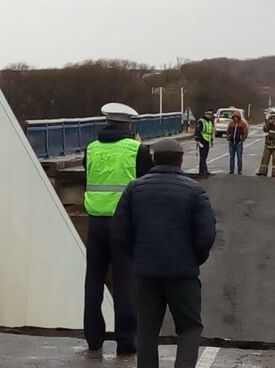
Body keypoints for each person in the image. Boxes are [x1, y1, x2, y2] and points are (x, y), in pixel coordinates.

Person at [112, 139, 216, 368]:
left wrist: (137, 256)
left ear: (153, 160)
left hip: (146, 273)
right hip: (183, 273)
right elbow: (206, 234)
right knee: (189, 327)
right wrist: (195, 259)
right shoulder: (195, 190)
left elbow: (119, 231)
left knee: (147, 329)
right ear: (180, 160)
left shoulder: (134, 188)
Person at [82, 102, 154, 355]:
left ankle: (93, 338)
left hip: (95, 222)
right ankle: (126, 341)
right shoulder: (137, 149)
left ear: (106, 122)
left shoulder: (91, 148)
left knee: (93, 280)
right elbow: (147, 183)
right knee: (125, 283)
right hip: (124, 223)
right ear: (129, 124)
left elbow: (88, 177)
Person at [257, 111, 275, 177]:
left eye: (274, 117)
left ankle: (274, 174)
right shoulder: (268, 121)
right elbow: (265, 129)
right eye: (271, 117)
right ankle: (262, 172)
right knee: (265, 158)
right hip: (268, 144)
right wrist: (268, 123)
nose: (272, 118)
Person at [226, 110, 248, 174]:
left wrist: (242, 140)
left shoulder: (242, 124)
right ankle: (231, 170)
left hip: (239, 143)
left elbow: (245, 133)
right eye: (234, 117)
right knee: (231, 157)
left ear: (239, 117)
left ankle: (239, 170)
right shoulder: (231, 123)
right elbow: (227, 132)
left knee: (239, 157)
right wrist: (228, 139)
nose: (235, 118)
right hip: (231, 143)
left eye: (237, 117)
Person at [194, 109, 214, 176]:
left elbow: (210, 132)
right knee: (202, 156)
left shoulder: (210, 122)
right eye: (209, 114)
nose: (210, 116)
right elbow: (197, 130)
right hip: (202, 140)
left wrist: (211, 140)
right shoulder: (201, 121)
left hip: (207, 140)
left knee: (205, 157)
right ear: (205, 114)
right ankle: (202, 171)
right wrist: (197, 139)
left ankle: (204, 170)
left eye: (211, 114)